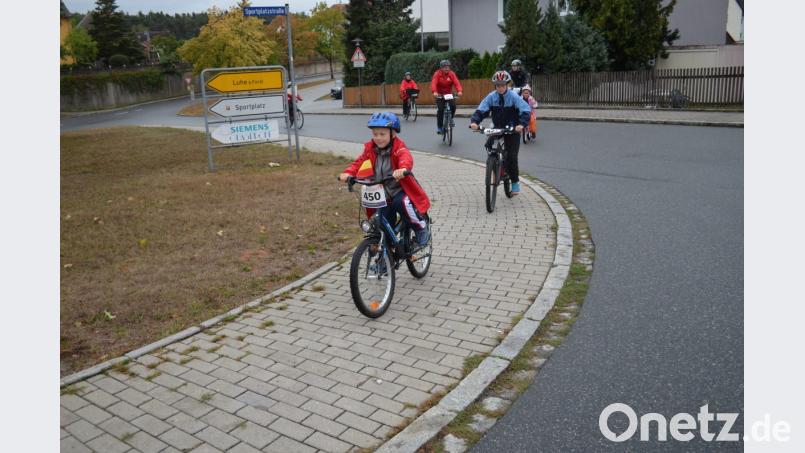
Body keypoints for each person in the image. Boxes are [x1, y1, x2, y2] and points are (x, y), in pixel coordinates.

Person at [339, 112, 431, 247]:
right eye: (375, 134)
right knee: (380, 224)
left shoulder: (398, 148)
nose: (378, 138)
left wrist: (402, 169)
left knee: (402, 203)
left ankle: (420, 228)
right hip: (381, 194)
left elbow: (405, 157)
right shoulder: (370, 149)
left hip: (399, 189)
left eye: (382, 134)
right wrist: (348, 173)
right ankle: (385, 257)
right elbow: (359, 162)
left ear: (393, 134)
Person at [469, 71, 531, 195]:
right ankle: (494, 168)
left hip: (512, 129)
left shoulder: (513, 96)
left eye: (503, 85)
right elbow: (481, 110)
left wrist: (521, 124)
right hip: (497, 128)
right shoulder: (491, 97)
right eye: (498, 85)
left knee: (512, 157)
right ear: (495, 86)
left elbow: (525, 110)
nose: (500, 87)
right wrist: (475, 122)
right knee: (489, 146)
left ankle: (514, 182)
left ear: (507, 85)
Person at [430, 60, 463, 135]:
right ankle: (439, 127)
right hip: (439, 95)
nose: (447, 69)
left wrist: (459, 91)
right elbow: (434, 83)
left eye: (448, 67)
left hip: (449, 94)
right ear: (441, 68)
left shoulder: (451, 74)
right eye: (445, 67)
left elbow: (456, 83)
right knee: (440, 110)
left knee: (453, 106)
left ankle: (451, 119)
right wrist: (434, 92)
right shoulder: (437, 74)